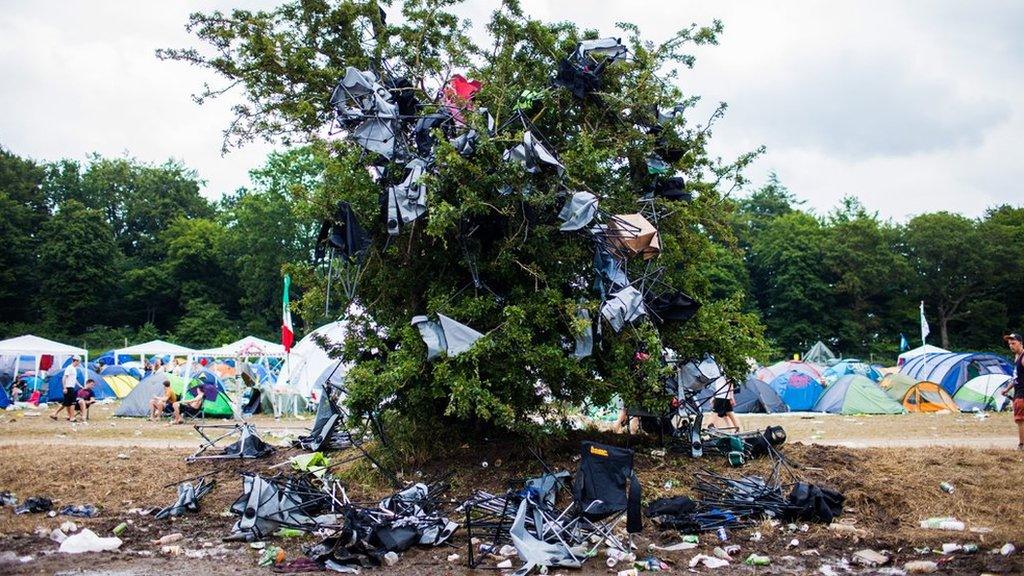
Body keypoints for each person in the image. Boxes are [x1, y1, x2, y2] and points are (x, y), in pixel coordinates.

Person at [1002, 333, 1024, 450]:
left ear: (1020, 343)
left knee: (1020, 420)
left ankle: (1021, 445)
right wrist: (1007, 389)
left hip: (1022, 394)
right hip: (1018, 392)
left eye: (1013, 343)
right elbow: (1016, 378)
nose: (1011, 346)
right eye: (1009, 344)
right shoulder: (1017, 357)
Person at [50, 356, 81, 421]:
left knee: (66, 403)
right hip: (68, 387)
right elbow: (64, 377)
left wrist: (80, 386)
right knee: (72, 402)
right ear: (76, 361)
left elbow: (74, 379)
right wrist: (64, 388)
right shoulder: (69, 368)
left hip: (71, 387)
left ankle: (55, 414)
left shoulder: (74, 369)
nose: (79, 363)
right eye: (79, 362)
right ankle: (72, 417)